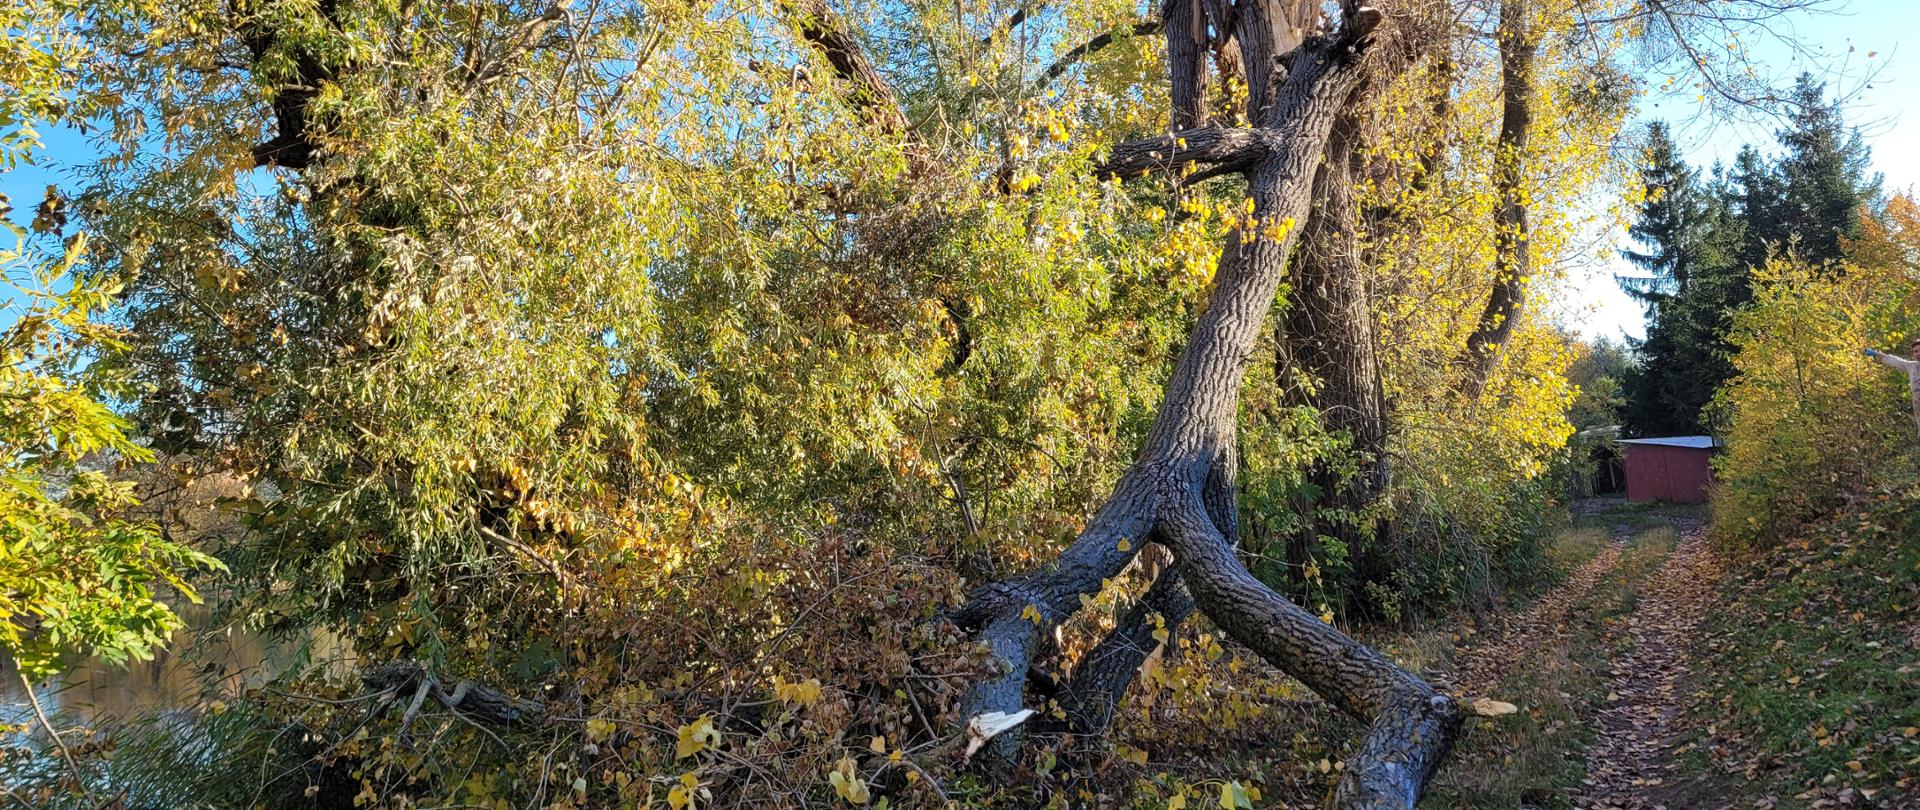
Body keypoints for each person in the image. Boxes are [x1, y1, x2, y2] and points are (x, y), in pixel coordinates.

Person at [1864, 338, 1920, 435]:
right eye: (1916, 351)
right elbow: (1896, 361)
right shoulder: (1912, 366)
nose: (1918, 354)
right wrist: (1876, 353)